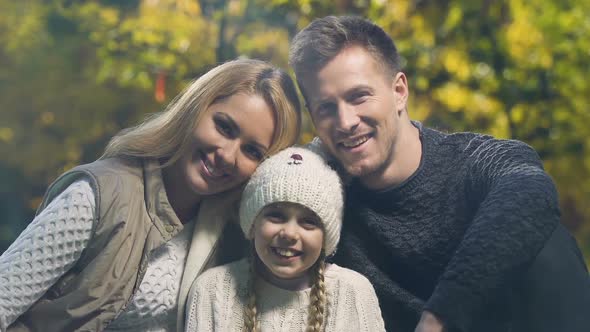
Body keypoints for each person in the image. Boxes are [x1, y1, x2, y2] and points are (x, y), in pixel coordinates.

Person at [289, 15, 590, 332]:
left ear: (399, 91)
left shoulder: (473, 160)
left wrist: (440, 318)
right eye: (326, 108)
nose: (346, 121)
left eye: (358, 96)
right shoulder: (317, 187)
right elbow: (266, 189)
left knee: (545, 239)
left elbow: (530, 188)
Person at [0, 59, 301, 332]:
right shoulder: (97, 197)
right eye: (223, 127)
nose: (227, 155)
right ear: (195, 110)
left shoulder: (231, 234)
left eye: (252, 151)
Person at [185, 146, 386, 332]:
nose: (289, 233)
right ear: (253, 224)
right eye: (276, 216)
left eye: (308, 222)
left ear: (326, 238)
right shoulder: (212, 289)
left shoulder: (352, 293)